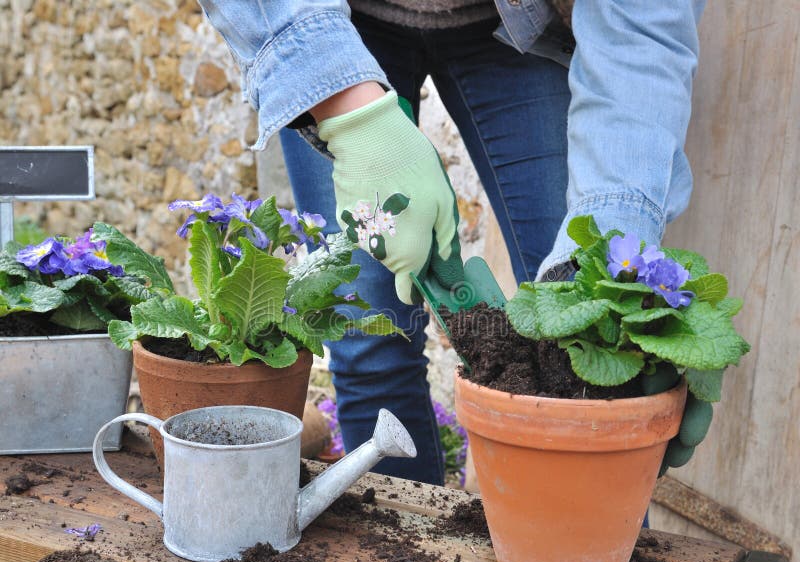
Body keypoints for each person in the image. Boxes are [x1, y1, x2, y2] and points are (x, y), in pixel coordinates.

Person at [197, 1, 708, 485]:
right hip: (334, 21)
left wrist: (615, 226)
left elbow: (642, 28)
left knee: (585, 343)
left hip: (516, 27)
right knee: (371, 345)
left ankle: (590, 556)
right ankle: (400, 557)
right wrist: (356, 118)